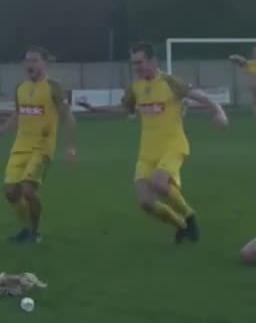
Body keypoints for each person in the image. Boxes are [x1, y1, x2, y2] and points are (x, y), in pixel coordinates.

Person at [78, 42, 228, 242]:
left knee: (159, 182)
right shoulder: (136, 87)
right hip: (147, 151)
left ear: (153, 61)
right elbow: (125, 108)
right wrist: (95, 109)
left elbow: (202, 98)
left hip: (173, 145)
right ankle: (181, 225)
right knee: (146, 203)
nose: (136, 67)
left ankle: (189, 215)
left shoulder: (170, 82)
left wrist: (219, 112)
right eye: (133, 63)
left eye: (140, 62)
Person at [0, 47, 76, 243]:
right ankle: (25, 229)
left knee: (27, 190)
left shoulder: (53, 86)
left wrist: (69, 146)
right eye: (27, 61)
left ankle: (35, 231)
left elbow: (67, 116)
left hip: (42, 149)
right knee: (10, 192)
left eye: (34, 60)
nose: (29, 64)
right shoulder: (20, 87)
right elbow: (18, 115)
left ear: (44, 63)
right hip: (20, 147)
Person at [229, 48, 256, 112]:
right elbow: (234, 59)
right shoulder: (250, 63)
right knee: (254, 100)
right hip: (253, 86)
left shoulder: (250, 63)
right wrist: (237, 57)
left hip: (253, 86)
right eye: (254, 52)